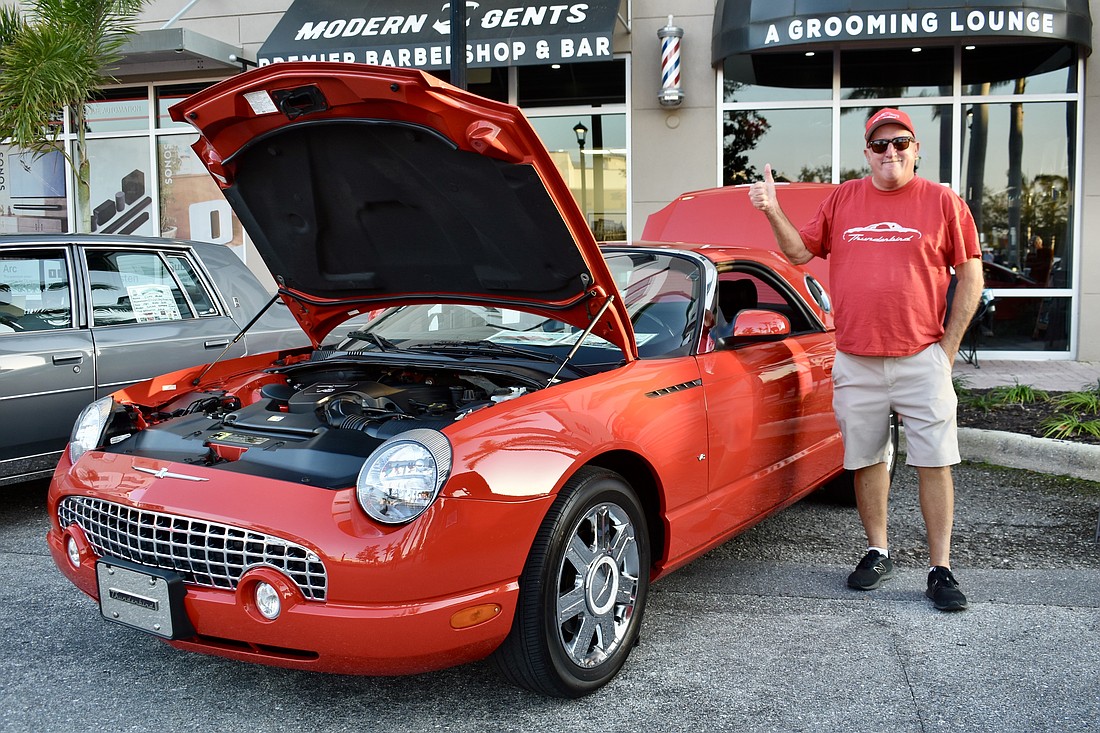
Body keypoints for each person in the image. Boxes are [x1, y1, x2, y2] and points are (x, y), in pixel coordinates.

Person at [749, 108, 984, 612]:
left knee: (934, 461)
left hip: (922, 357)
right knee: (867, 459)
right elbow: (797, 253)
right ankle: (878, 551)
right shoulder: (844, 199)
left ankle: (940, 567)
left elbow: (971, 276)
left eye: (900, 142)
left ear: (915, 149)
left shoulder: (943, 202)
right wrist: (771, 208)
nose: (890, 152)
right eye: (880, 145)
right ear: (867, 153)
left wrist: (945, 351)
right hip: (857, 360)